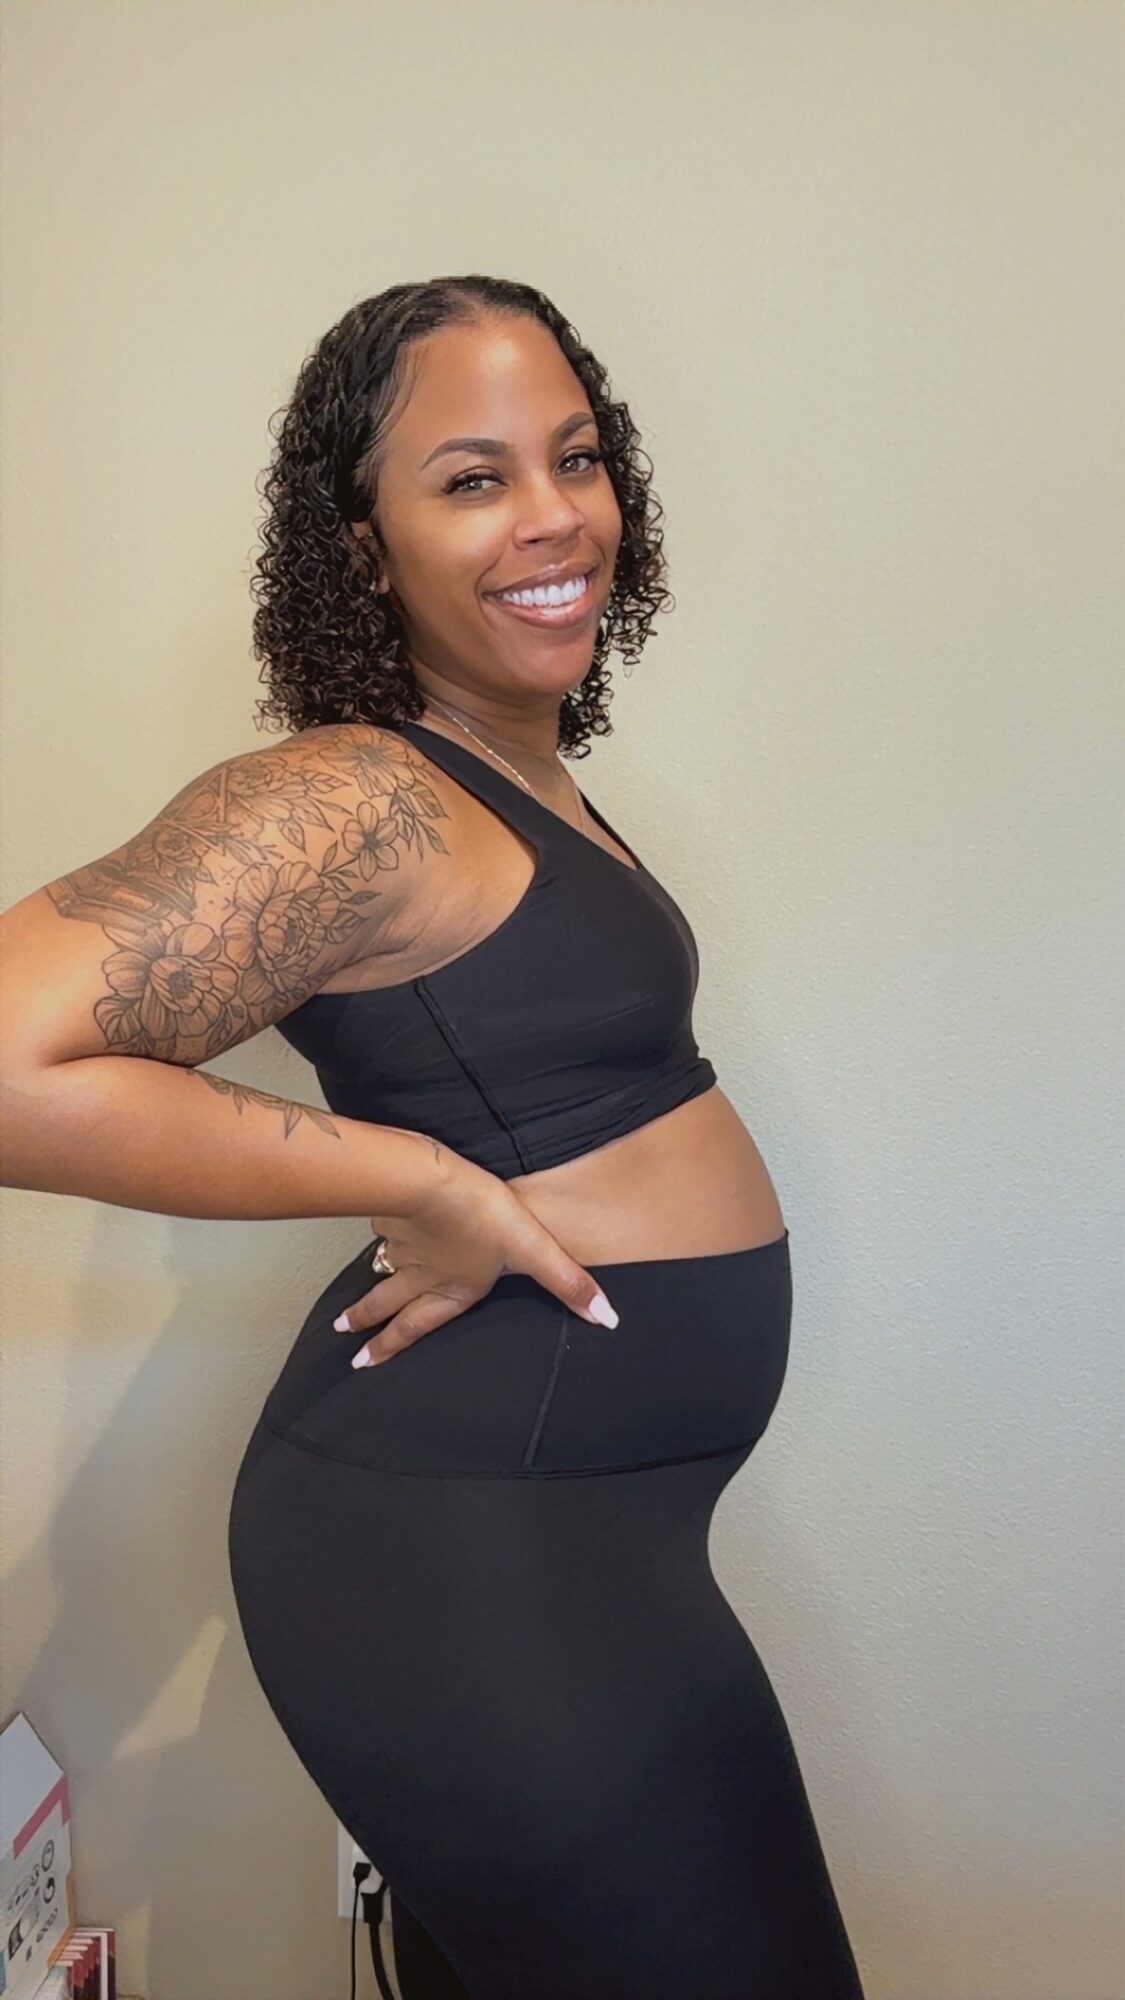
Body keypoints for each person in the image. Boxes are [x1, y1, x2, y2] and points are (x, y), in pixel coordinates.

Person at [0, 274, 865, 1999]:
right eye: (470, 478)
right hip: (463, 1541)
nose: (554, 517)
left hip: (570, 1530)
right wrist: (416, 1178)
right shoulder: (359, 795)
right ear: (361, 542)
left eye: (577, 456)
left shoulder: (509, 771)